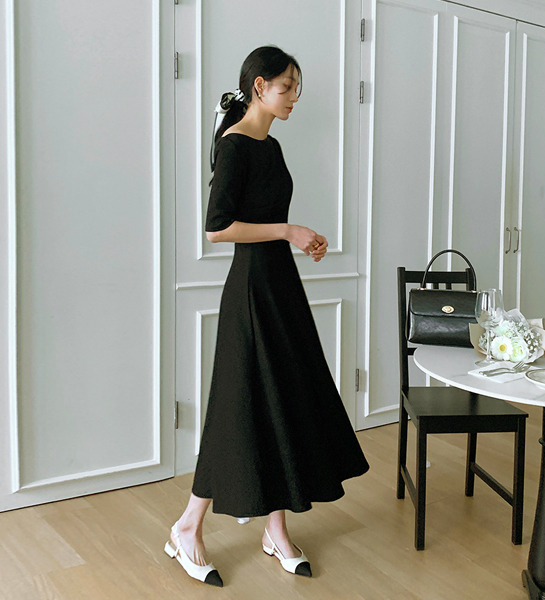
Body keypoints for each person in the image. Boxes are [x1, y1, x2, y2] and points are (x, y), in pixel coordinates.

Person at [164, 46, 369, 587]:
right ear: (259, 86)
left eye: (296, 87)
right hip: (252, 291)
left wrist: (303, 239)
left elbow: (271, 219)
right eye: (287, 87)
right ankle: (187, 527)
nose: (294, 97)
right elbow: (217, 228)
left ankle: (275, 530)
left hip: (281, 284)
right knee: (237, 406)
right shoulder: (234, 146)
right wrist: (287, 231)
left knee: (281, 400)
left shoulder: (271, 146)